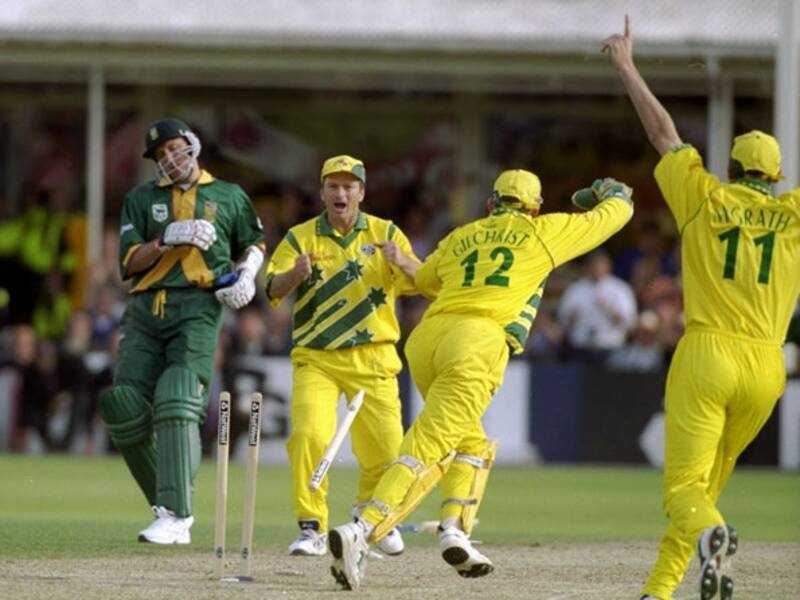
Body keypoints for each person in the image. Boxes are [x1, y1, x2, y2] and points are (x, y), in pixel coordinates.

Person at [327, 169, 634, 590]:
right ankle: (363, 528)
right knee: (430, 446)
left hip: (428, 339)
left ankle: (454, 531)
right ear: (535, 207)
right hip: (477, 343)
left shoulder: (462, 235)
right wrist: (614, 193)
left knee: (468, 443)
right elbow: (615, 215)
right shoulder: (545, 231)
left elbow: (426, 280)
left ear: (492, 203)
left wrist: (402, 260)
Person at [603, 16, 800, 600]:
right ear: (778, 175)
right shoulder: (792, 215)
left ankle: (713, 539)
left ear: (733, 169)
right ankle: (660, 591)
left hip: (708, 353)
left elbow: (664, 133)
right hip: (769, 366)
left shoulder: (704, 196)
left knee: (684, 490)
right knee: (704, 488)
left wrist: (626, 65)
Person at [99, 117, 265, 544]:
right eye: (161, 155)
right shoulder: (141, 198)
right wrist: (167, 239)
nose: (170, 159)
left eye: (175, 148)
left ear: (192, 144)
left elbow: (254, 243)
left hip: (197, 306)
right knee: (121, 403)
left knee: (176, 396)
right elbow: (128, 262)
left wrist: (246, 275)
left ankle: (175, 513)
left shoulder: (228, 194)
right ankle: (169, 505)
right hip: (144, 306)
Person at [265, 154, 421, 557]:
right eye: (333, 186)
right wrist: (294, 274)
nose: (341, 193)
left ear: (362, 193)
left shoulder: (387, 233)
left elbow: (424, 282)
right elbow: (271, 289)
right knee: (308, 436)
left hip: (374, 358)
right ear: (322, 192)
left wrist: (402, 261)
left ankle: (370, 516)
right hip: (317, 357)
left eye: (349, 186)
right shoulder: (301, 237)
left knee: (386, 452)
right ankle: (310, 526)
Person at [557, 248, 637, 362]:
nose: (596, 268)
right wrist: (571, 317)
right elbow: (562, 322)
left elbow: (629, 322)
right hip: (580, 349)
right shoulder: (575, 289)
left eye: (599, 264)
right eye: (592, 264)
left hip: (610, 348)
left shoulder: (620, 289)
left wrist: (608, 309)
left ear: (608, 265)